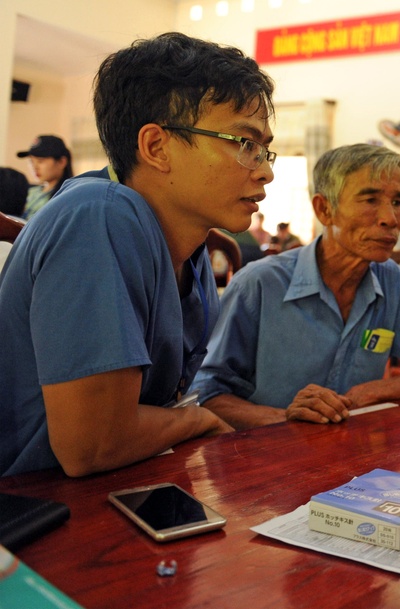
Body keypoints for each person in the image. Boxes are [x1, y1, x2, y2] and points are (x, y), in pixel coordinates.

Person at [0, 32, 277, 477]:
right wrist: (197, 418)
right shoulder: (99, 215)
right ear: (156, 147)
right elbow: (92, 444)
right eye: (244, 144)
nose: (264, 170)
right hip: (31, 511)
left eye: (265, 149)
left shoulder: (190, 247)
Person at [190, 144, 400, 430]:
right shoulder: (260, 285)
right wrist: (286, 420)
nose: (390, 218)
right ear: (324, 209)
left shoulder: (393, 283)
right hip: (266, 460)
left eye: (398, 202)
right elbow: (205, 393)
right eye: (370, 200)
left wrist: (373, 391)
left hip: (352, 457)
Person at [17, 135, 74, 220]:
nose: (35, 167)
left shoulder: (68, 195)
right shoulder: (30, 191)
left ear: (62, 162)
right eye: (31, 162)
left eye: (40, 161)